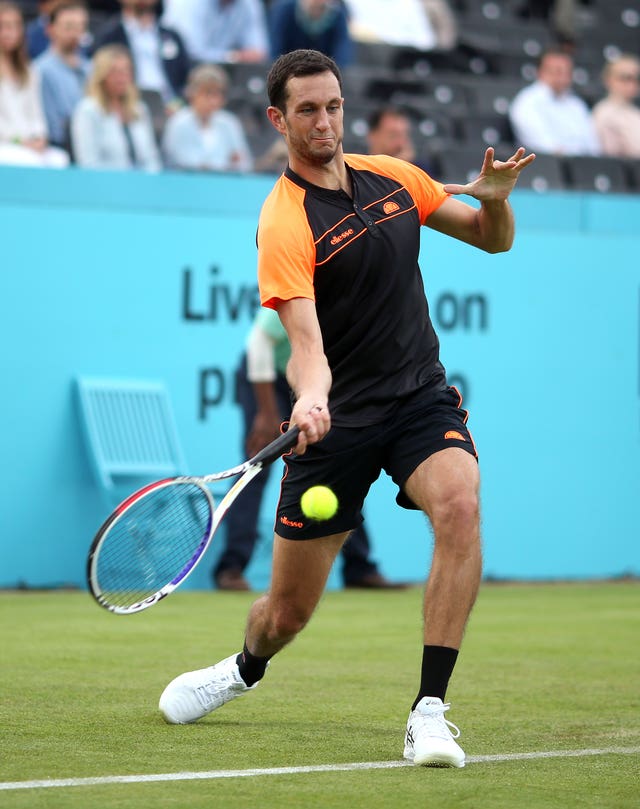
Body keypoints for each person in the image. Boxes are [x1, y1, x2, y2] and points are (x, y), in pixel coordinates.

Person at [159, 49, 534, 769]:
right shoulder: (283, 221)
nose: (325, 120)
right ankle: (242, 666)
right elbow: (303, 339)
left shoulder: (395, 177)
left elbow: (493, 241)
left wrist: (494, 199)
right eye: (307, 110)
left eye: (332, 105)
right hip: (340, 420)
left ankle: (430, 710)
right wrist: (311, 396)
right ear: (279, 119)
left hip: (419, 394)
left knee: (459, 502)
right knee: (285, 615)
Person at [214, 306, 408, 591]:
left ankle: (359, 568)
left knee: (339, 463)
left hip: (316, 384)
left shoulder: (363, 308)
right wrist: (267, 412)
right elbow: (259, 342)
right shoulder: (308, 293)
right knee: (257, 467)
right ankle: (231, 568)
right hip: (270, 380)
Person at [71, 43, 161, 170]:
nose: (122, 78)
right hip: (106, 185)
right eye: (115, 72)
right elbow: (89, 163)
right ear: (102, 75)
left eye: (126, 71)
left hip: (142, 185)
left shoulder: (139, 109)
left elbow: (152, 158)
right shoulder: (88, 110)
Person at [0, 1, 69, 167]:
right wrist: (19, 141)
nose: (10, 32)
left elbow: (36, 113)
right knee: (27, 159)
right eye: (4, 26)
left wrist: (40, 137)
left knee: (60, 159)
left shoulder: (30, 70)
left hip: (29, 143)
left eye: (15, 26)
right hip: (7, 143)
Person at [92, 0, 190, 114]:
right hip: (129, 108)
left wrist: (178, 103)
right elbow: (100, 79)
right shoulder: (108, 37)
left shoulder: (172, 36)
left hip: (172, 108)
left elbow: (186, 80)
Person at [509, 47, 600, 156]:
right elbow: (543, 146)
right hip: (544, 166)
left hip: (579, 165)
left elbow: (593, 147)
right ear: (541, 72)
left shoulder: (577, 104)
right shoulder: (527, 101)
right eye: (558, 71)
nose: (563, 76)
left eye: (568, 71)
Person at [162, 63, 253, 172]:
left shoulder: (229, 123)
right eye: (208, 94)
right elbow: (180, 161)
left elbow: (244, 163)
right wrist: (224, 163)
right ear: (193, 93)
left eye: (218, 94)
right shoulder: (178, 123)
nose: (214, 101)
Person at [34, 1, 91, 151]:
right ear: (50, 29)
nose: (75, 33)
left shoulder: (91, 68)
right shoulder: (40, 71)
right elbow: (53, 129)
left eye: (80, 27)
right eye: (68, 27)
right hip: (62, 149)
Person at [161, 0, 269, 65]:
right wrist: (233, 57)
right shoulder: (188, 4)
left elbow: (258, 53)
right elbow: (191, 54)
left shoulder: (249, 4)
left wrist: (237, 57)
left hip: (229, 74)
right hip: (181, 72)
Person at [269, 0, 353, 68]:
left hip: (324, 74)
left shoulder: (338, 15)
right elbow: (276, 51)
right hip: (288, 72)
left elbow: (342, 56)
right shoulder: (284, 9)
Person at [592, 54, 640, 160]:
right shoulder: (603, 112)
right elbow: (612, 155)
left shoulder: (636, 113)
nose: (632, 83)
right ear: (608, 80)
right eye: (625, 78)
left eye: (636, 78)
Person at [366, 104, 433, 173]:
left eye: (404, 135)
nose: (400, 143)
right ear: (373, 136)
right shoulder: (358, 169)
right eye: (393, 135)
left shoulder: (420, 171)